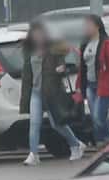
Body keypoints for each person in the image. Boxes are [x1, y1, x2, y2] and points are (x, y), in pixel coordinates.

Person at [18, 20, 84, 166]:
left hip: (51, 92)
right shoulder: (30, 50)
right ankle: (33, 154)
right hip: (36, 92)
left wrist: (62, 68)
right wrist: (25, 93)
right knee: (34, 123)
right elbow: (27, 74)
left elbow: (66, 64)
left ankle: (76, 145)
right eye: (35, 34)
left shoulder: (54, 49)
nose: (37, 37)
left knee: (57, 124)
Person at [78, 14, 109, 144]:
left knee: (99, 116)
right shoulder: (85, 43)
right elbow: (83, 67)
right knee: (95, 116)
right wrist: (79, 87)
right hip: (90, 85)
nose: (86, 28)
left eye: (89, 25)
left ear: (97, 26)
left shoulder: (106, 43)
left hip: (104, 86)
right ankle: (102, 141)